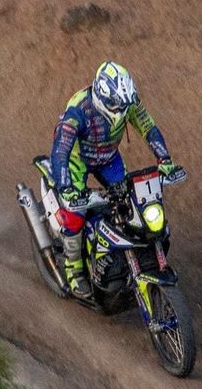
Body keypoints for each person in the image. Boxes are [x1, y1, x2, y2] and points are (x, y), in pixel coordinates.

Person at [50, 61, 184, 298]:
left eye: (123, 105)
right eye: (115, 104)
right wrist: (66, 187)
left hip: (108, 157)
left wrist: (165, 160)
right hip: (77, 161)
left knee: (126, 201)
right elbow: (61, 150)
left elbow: (148, 127)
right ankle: (74, 270)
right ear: (101, 94)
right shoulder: (78, 110)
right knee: (75, 215)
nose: (120, 110)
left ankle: (124, 258)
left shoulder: (127, 102)